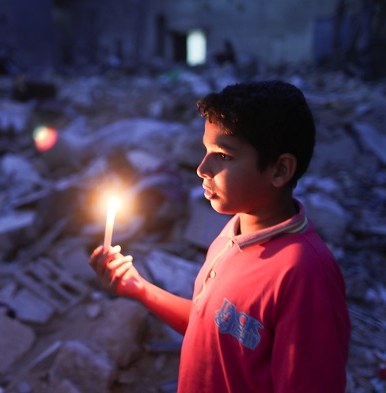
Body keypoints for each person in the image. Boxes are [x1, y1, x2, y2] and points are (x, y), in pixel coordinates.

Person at [88, 80, 351, 392]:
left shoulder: (304, 273)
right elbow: (210, 327)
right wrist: (140, 289)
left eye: (223, 155)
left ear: (280, 170)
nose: (202, 168)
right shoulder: (233, 234)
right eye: (205, 150)